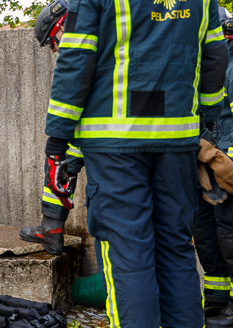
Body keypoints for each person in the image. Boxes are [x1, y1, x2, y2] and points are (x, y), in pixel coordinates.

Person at [42, 0, 227, 326]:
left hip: (116, 143)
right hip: (178, 141)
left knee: (128, 257)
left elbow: (77, 59)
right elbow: (214, 58)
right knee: (176, 252)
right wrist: (205, 126)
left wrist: (57, 140)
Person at [19, 0, 85, 256]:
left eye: (52, 42)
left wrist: (57, 144)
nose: (54, 49)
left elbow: (69, 98)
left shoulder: (79, 53)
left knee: (59, 161)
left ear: (62, 26)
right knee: (63, 163)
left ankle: (52, 229)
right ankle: (51, 229)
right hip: (102, 131)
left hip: (107, 137)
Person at [197, 8, 233, 328]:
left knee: (230, 234)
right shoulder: (202, 64)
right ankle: (218, 300)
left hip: (224, 163)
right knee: (207, 235)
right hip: (205, 162)